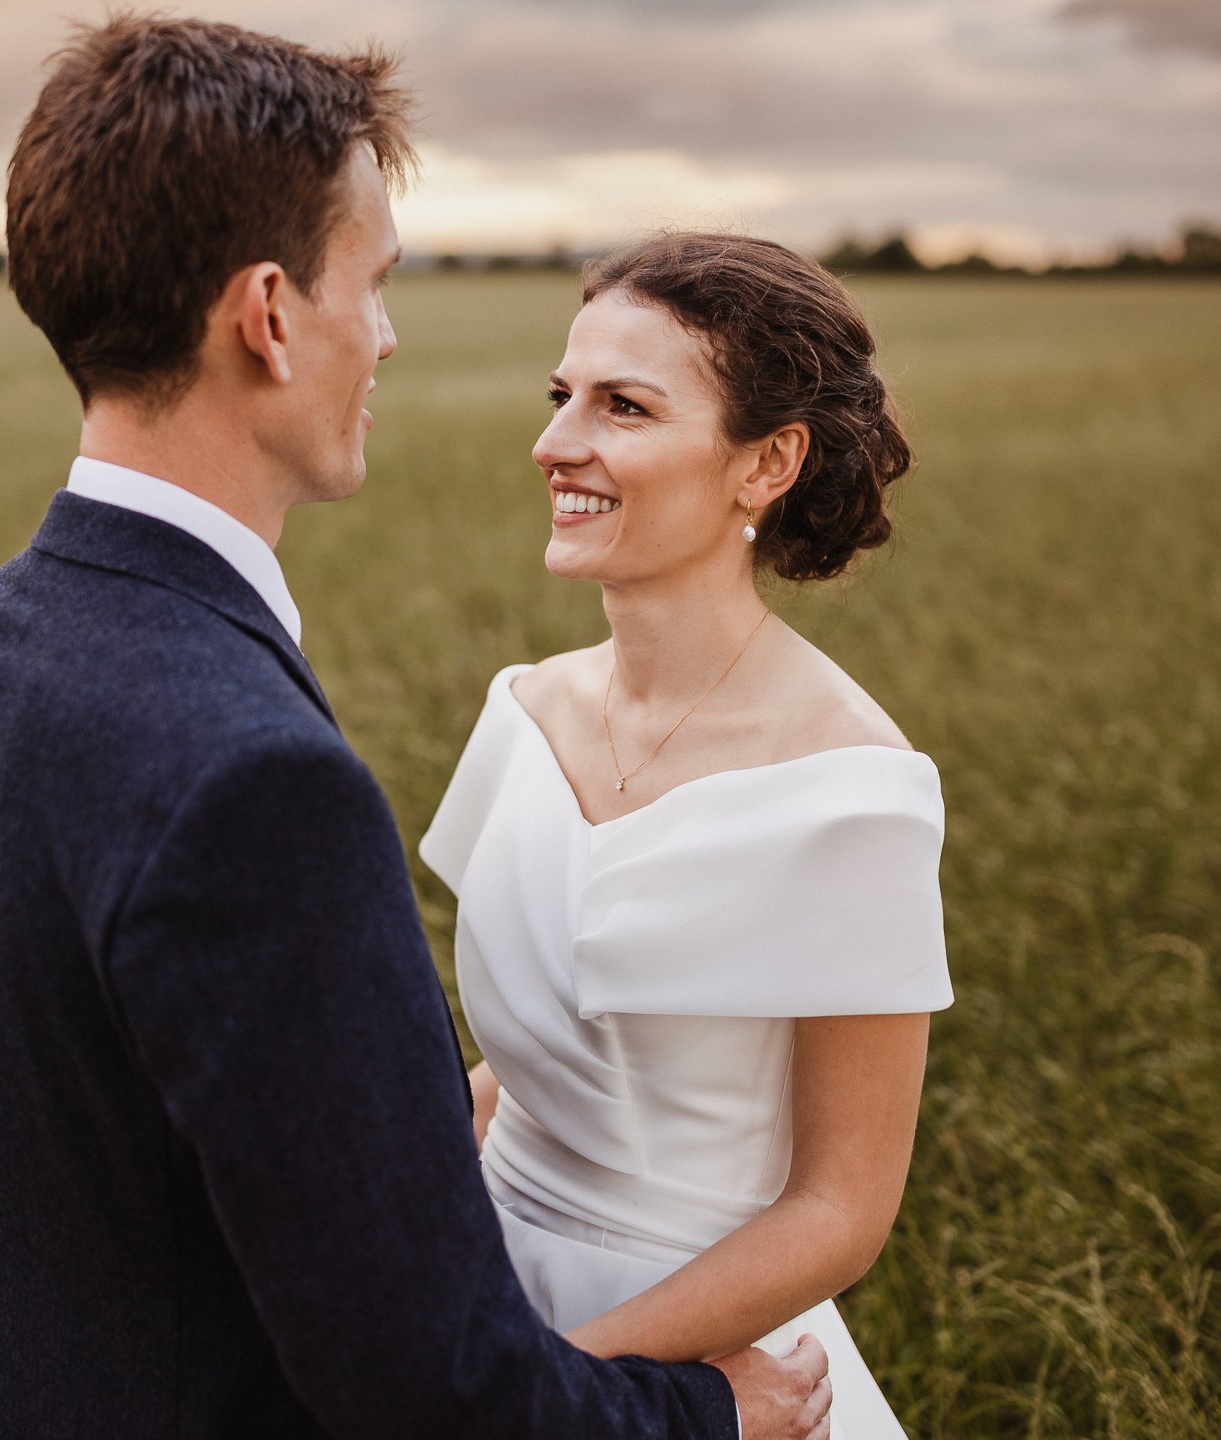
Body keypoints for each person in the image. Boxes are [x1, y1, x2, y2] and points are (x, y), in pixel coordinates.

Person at [0, 18, 831, 1439]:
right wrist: (712, 1413)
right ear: (269, 313)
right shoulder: (258, 785)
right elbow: (434, 1398)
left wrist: (375, 1136)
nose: (384, 335)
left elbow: (112, 1150)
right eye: (373, 284)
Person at [421, 231, 952, 1439]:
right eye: (563, 398)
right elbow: (530, 1059)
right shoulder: (519, 714)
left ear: (766, 460)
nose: (558, 443)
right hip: (488, 1293)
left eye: (625, 407)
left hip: (698, 1353)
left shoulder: (852, 788)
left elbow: (840, 1209)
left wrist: (565, 1382)